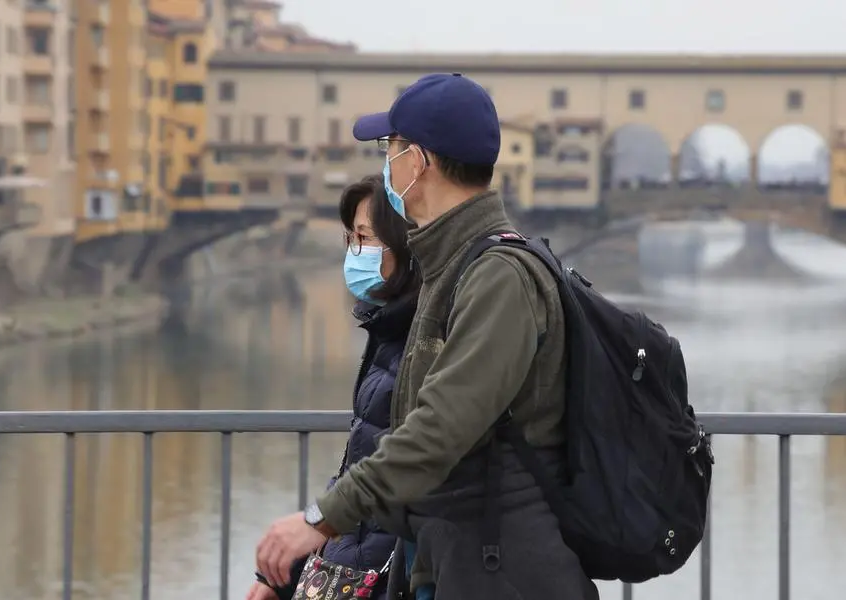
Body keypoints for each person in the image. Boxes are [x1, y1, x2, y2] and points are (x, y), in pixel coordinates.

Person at [255, 73, 599, 599]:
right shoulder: (453, 266)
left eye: (389, 149)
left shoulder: (497, 277)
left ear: (418, 161)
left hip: (501, 573)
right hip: (455, 561)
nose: (385, 164)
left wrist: (321, 518)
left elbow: (439, 430)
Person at [247, 174, 421, 600]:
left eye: (364, 237)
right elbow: (358, 467)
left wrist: (313, 524)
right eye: (350, 237)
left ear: (406, 245)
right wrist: (281, 575)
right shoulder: (389, 334)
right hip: (357, 568)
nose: (353, 251)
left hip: (387, 579)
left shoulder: (421, 342)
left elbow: (400, 470)